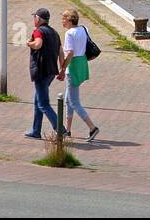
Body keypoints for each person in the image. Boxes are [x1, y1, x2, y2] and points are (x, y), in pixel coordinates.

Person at [57, 9, 99, 141]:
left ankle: (92, 127)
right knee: (68, 100)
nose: (62, 20)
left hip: (73, 66)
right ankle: (67, 130)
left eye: (63, 18)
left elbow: (69, 53)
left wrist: (63, 68)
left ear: (69, 20)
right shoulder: (83, 28)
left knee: (74, 102)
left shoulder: (69, 33)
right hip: (82, 64)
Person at [25, 8, 61, 139]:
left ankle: (60, 128)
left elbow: (38, 45)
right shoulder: (55, 33)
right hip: (51, 71)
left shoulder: (38, 31)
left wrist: (29, 43)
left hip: (41, 70)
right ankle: (36, 131)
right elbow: (61, 51)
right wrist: (62, 69)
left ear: (38, 19)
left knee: (43, 103)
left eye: (34, 17)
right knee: (37, 101)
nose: (34, 19)